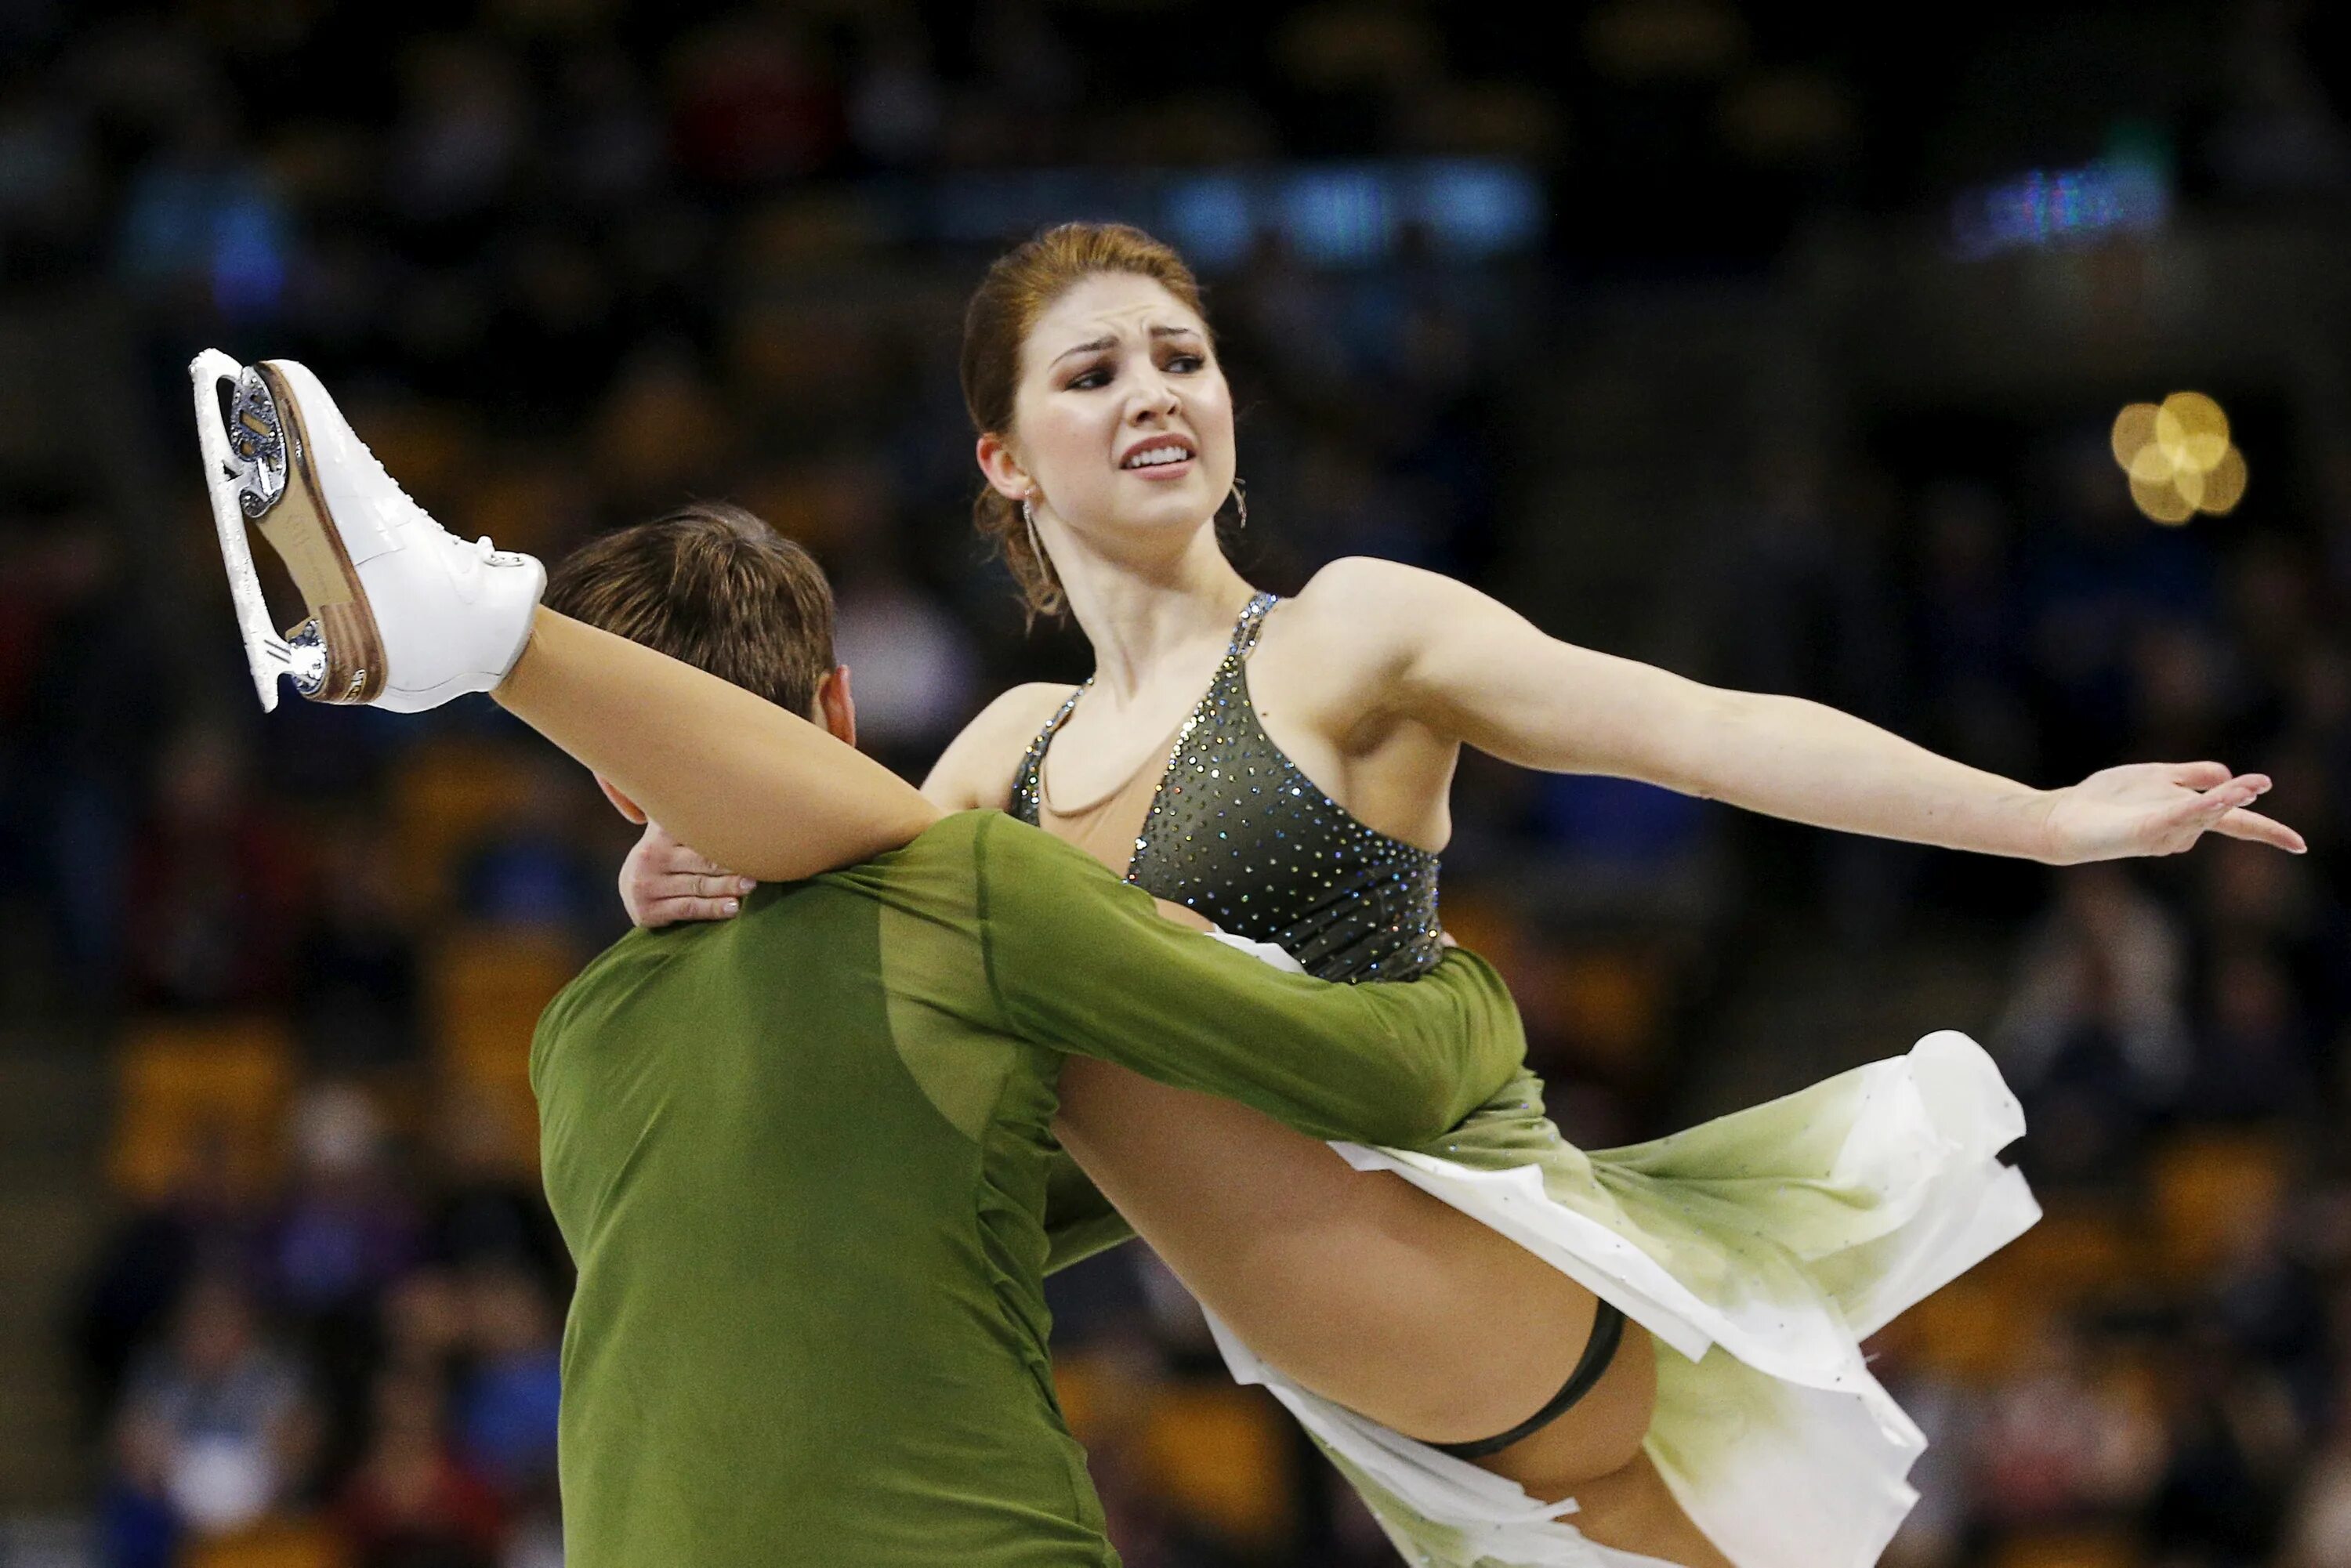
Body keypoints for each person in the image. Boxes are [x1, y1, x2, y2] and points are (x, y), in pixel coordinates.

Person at [607, 226, 2305, 1565]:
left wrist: (2044, 817)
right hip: (1356, 1388)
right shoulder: (1007, 744)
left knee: (967, 919)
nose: (1156, 391)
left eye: (1184, 357)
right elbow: (827, 967)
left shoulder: (1348, 629)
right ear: (1003, 459)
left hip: (1460, 1256)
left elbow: (1699, 731)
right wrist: (668, 858)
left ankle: (476, 632)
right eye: (1095, 369)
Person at [192, 353, 1527, 1566]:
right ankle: (484, 633)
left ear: (612, 783)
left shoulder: (578, 1027)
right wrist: (1460, 986)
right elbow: (1381, 1078)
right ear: (839, 700)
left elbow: (915, 1203)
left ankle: (483, 636)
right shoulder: (975, 895)